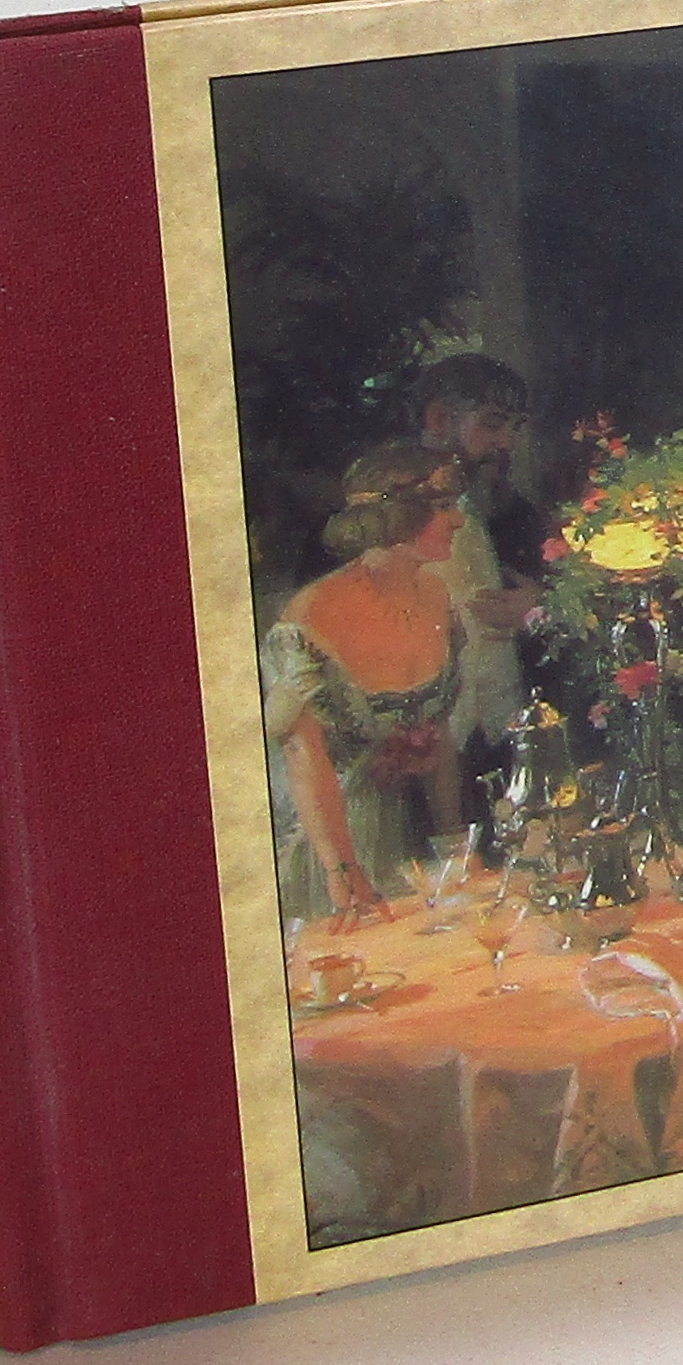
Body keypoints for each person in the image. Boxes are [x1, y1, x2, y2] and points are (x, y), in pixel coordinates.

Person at [265, 445, 466, 931]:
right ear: (398, 517)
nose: (459, 520)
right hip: (330, 844)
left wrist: (454, 846)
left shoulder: (436, 595)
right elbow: (303, 754)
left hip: (410, 842)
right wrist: (342, 870)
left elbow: (438, 735)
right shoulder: (315, 614)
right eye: (443, 506)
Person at [410, 353, 551, 826]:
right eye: (492, 424)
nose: (506, 443)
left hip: (502, 736)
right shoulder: (392, 513)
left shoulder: (515, 515)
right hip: (424, 749)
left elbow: (548, 598)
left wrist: (536, 606)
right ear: (439, 420)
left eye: (515, 428)